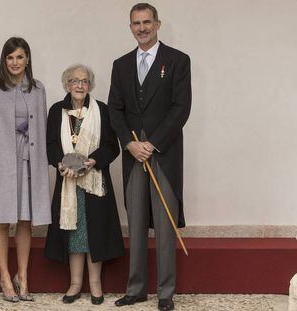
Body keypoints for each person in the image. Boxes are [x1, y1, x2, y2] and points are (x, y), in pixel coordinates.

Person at [108, 3, 191, 311]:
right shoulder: (121, 64)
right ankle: (136, 288)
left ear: (158, 24)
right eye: (135, 23)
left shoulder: (178, 61)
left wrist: (152, 143)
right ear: (130, 27)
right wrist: (130, 145)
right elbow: (115, 109)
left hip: (163, 154)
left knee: (165, 226)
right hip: (133, 156)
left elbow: (181, 108)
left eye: (146, 22)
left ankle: (166, 292)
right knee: (137, 221)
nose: (141, 28)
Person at [0, 37, 51, 303]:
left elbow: (44, 127)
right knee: (2, 219)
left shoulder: (38, 89)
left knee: (26, 219)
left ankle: (23, 276)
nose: (15, 62)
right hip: (2, 160)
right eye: (10, 58)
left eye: (19, 57)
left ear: (27, 58)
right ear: (4, 61)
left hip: (30, 159)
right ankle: (5, 276)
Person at [45, 64, 124, 305]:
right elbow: (50, 145)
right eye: (74, 81)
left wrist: (93, 161)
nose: (79, 85)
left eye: (84, 81)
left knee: (94, 232)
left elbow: (112, 147)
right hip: (68, 183)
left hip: (94, 182)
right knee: (74, 234)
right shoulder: (56, 110)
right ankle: (76, 283)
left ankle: (96, 284)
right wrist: (59, 163)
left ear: (90, 85)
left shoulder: (101, 110)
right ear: (66, 84)